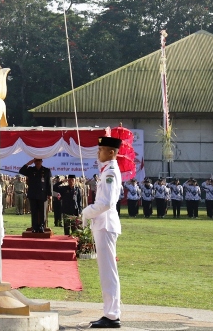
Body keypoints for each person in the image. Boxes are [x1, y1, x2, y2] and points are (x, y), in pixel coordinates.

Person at [82, 136, 122, 329]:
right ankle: (110, 313)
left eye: (101, 150)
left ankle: (112, 315)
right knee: (106, 271)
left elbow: (106, 203)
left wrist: (86, 212)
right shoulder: (107, 170)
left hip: (105, 225)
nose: (98, 153)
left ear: (112, 152)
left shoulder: (111, 172)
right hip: (103, 225)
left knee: (108, 272)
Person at [19, 158, 52, 233]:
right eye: (36, 161)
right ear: (34, 162)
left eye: (39, 161)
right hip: (33, 194)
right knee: (34, 212)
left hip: (42, 194)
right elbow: (21, 171)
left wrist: (50, 194)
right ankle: (34, 227)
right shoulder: (31, 170)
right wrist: (28, 163)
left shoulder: (46, 170)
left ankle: (42, 227)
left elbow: (49, 183)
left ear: (41, 162)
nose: (38, 162)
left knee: (42, 212)